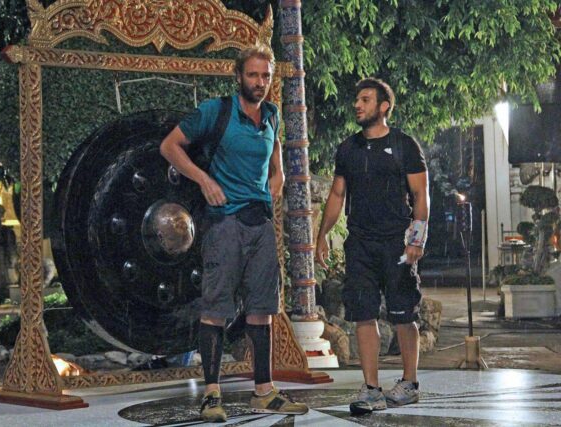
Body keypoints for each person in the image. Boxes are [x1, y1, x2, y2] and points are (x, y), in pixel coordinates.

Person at [160, 45, 308, 422]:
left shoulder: (271, 114)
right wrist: (204, 179)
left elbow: (275, 153)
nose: (260, 82)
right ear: (238, 75)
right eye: (253, 75)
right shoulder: (217, 111)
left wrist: (278, 174)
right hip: (225, 222)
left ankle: (264, 392)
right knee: (215, 310)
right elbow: (169, 146)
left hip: (261, 224)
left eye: (265, 76)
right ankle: (212, 395)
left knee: (262, 310)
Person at [315, 78, 429, 415]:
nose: (357, 105)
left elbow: (421, 195)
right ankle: (371, 388)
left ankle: (409, 383)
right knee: (363, 315)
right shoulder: (348, 149)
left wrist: (416, 239)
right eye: (357, 99)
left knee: (403, 314)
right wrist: (322, 235)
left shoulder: (404, 145)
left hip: (396, 241)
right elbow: (337, 194)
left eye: (365, 99)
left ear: (383, 106)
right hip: (360, 243)